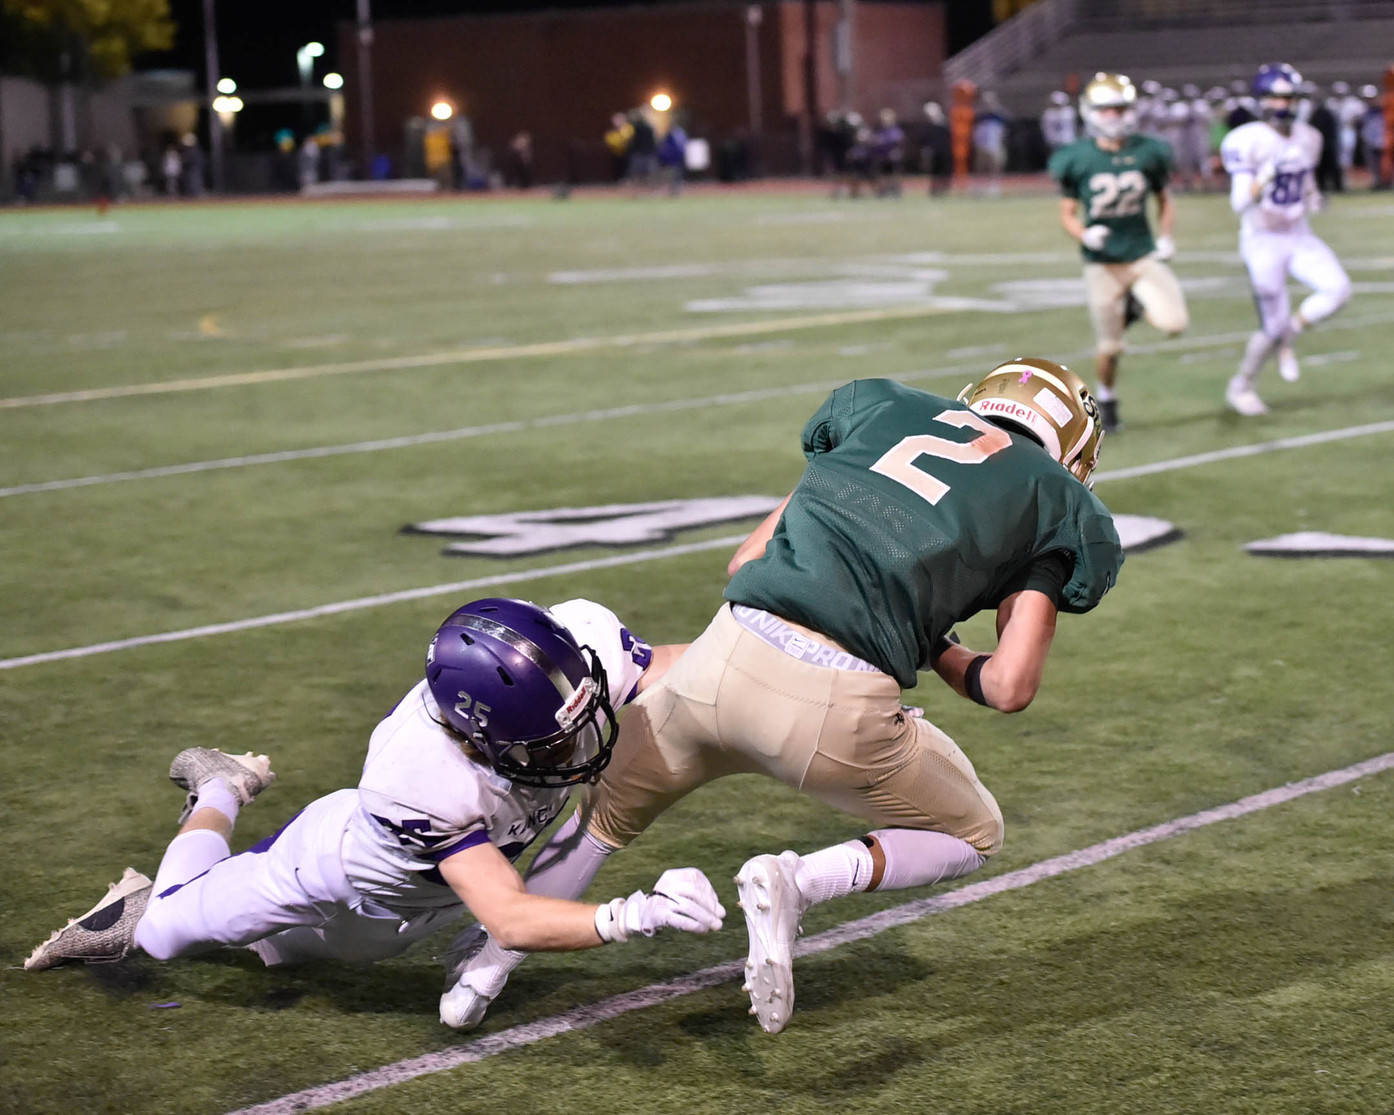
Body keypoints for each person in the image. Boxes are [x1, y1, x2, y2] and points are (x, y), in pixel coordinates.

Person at [445, 358, 1123, 1035]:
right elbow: (1008, 686)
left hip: (721, 658)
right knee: (975, 832)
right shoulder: (1053, 502)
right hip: (835, 712)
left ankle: (481, 976)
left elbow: (746, 562)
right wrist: (938, 646)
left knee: (600, 821)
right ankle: (801, 881)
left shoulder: (883, 413)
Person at [24, 598, 725, 1028]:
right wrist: (639, 913)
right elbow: (508, 914)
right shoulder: (421, 774)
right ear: (474, 733)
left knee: (284, 956)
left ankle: (214, 860)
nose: (578, 744)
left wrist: (782, 662)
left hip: (415, 908)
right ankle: (219, 787)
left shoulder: (574, 652)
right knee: (165, 931)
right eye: (548, 742)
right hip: (333, 868)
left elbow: (688, 666)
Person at [1047, 71, 1189, 433]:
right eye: (1106, 109)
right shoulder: (1075, 157)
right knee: (1110, 347)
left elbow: (1164, 201)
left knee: (1175, 323)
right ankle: (1107, 399)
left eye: (1120, 108)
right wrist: (1084, 234)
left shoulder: (1149, 150)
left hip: (1141, 255)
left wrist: (1166, 237)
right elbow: (1066, 213)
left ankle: (1135, 305)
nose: (1114, 116)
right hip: (1103, 264)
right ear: (1091, 112)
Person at [1219, 63, 1352, 417]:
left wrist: (1314, 199)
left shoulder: (1309, 136)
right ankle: (1242, 384)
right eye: (1277, 97)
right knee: (1270, 327)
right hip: (1262, 238)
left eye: (1289, 97)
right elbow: (1239, 202)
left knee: (1338, 289)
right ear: (1262, 100)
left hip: (1298, 233)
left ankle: (1290, 332)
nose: (1284, 104)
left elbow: (1306, 183)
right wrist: (1264, 177)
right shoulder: (1245, 139)